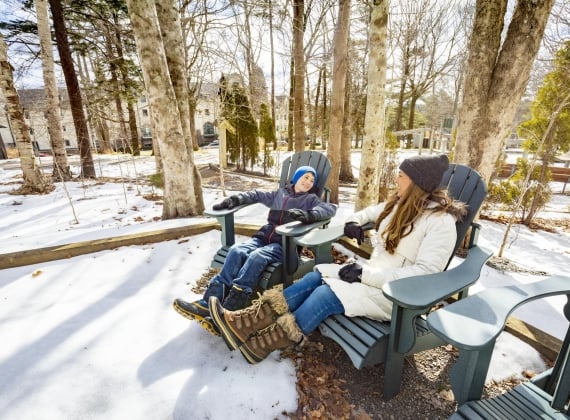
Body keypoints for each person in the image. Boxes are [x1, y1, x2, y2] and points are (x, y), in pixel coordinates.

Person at [208, 154, 468, 364]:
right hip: (373, 276)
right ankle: (246, 323)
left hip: (398, 295)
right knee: (316, 275)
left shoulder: (440, 222)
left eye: (401, 177)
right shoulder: (400, 205)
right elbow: (366, 213)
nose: (396, 181)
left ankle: (264, 344)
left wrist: (365, 274)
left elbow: (425, 274)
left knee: (324, 295)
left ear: (416, 183)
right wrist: (355, 222)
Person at [173, 165, 337, 335]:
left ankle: (231, 310)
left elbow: (330, 208)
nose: (309, 182)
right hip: (263, 237)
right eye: (306, 177)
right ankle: (208, 303)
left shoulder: (310, 200)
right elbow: (256, 194)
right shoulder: (280, 194)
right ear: (296, 178)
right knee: (237, 251)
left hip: (285, 245)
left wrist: (310, 215)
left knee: (257, 257)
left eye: (312, 180)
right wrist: (236, 199)